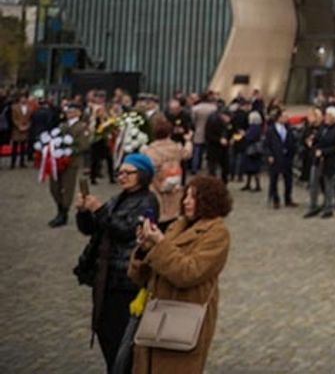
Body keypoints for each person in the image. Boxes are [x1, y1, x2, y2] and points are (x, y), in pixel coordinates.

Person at [128, 174, 232, 374]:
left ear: (208, 201)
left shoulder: (217, 233)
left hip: (185, 320)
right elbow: (142, 278)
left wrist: (160, 244)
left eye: (192, 197)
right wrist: (145, 249)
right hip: (157, 316)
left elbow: (188, 273)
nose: (186, 202)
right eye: (186, 196)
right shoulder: (178, 225)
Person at [74, 153, 160, 372]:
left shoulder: (147, 200)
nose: (121, 176)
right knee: (105, 332)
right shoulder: (118, 198)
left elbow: (125, 231)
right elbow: (91, 228)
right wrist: (83, 212)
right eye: (119, 172)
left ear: (141, 175)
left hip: (124, 280)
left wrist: (99, 210)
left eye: (127, 172)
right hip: (104, 276)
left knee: (120, 338)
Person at [140, 118, 193, 228]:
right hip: (174, 186)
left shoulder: (149, 150)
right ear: (169, 133)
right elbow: (187, 154)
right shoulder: (176, 147)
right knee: (173, 214)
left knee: (158, 213)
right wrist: (188, 141)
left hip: (156, 187)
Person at [49, 101, 92, 227]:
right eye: (68, 111)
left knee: (67, 188)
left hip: (71, 161)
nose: (69, 113)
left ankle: (63, 213)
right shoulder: (62, 125)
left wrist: (67, 150)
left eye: (72, 111)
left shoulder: (82, 127)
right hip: (57, 160)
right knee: (54, 187)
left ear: (79, 113)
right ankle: (59, 208)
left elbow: (84, 145)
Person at [306, 107, 335, 218]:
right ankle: (313, 205)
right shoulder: (322, 128)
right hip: (317, 159)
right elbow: (316, 140)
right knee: (313, 183)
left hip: (329, 160)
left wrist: (323, 152)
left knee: (328, 184)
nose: (325, 117)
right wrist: (314, 146)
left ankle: (328, 207)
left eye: (328, 115)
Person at [263, 107, 297, 209]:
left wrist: (292, 151)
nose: (286, 118)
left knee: (288, 179)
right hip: (275, 157)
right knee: (274, 179)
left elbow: (293, 142)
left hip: (287, 157)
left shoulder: (289, 129)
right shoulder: (271, 130)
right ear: (278, 118)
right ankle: (275, 199)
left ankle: (288, 198)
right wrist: (269, 155)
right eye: (284, 116)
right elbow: (266, 145)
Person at [239, 111, 264, 192]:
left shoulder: (254, 128)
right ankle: (249, 184)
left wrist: (244, 135)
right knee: (251, 168)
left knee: (254, 168)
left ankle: (257, 185)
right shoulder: (257, 127)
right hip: (253, 150)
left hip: (252, 150)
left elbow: (251, 138)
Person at [9, 91, 32, 168]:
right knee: (14, 147)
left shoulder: (30, 108)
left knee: (23, 147)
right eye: (22, 98)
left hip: (25, 129)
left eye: (25, 98)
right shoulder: (14, 107)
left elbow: (31, 119)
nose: (23, 99)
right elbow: (13, 118)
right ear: (19, 99)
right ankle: (13, 163)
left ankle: (22, 163)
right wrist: (19, 126)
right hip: (16, 129)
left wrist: (27, 126)